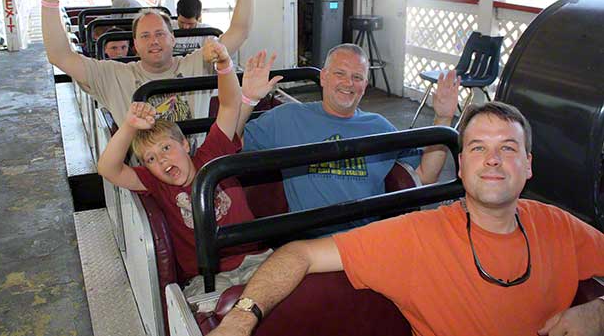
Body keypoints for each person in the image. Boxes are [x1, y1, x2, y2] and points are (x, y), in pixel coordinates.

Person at [210, 101, 604, 336]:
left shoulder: (559, 226)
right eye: (479, 148)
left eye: (508, 147)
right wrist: (241, 318)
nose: (494, 159)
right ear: (462, 167)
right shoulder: (416, 236)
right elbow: (301, 254)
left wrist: (597, 309)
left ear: (529, 165)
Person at [97, 44, 271, 303]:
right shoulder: (156, 184)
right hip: (208, 278)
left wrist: (224, 65)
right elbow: (108, 169)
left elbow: (229, 105)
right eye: (151, 159)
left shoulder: (211, 154)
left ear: (185, 145)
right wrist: (130, 126)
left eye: (166, 147)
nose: (162, 159)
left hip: (255, 260)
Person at [31, 0, 258, 126]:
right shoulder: (114, 76)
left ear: (172, 39)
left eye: (160, 33)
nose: (154, 40)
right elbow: (59, 55)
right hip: (140, 176)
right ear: (135, 45)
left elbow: (240, 30)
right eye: (145, 36)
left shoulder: (196, 64)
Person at [237, 43, 459, 233]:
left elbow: (426, 175)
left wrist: (443, 117)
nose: (348, 83)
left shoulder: (379, 126)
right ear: (323, 77)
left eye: (357, 77)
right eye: (339, 74)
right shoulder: (286, 118)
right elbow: (230, 144)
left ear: (364, 85)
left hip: (365, 240)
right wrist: (247, 99)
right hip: (309, 240)